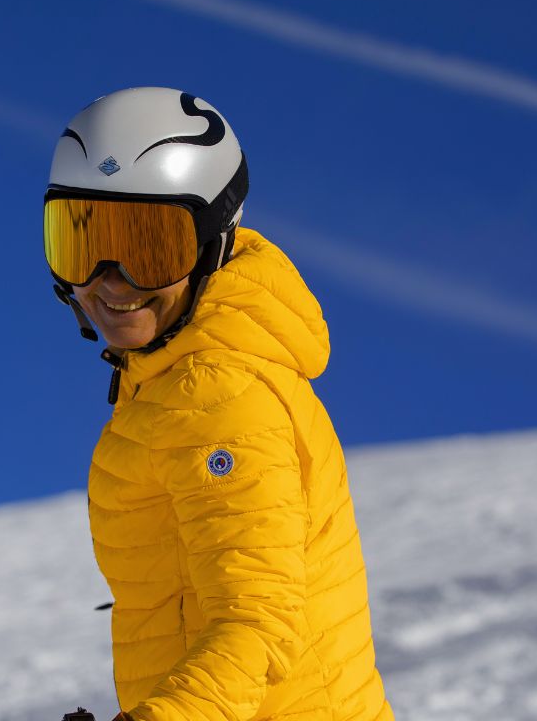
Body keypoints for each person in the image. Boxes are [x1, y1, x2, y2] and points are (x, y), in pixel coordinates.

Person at [44, 87, 392, 721]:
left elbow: (257, 626)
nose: (110, 281)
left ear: (213, 246)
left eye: (151, 247)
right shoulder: (169, 385)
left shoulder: (217, 395)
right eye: (81, 241)